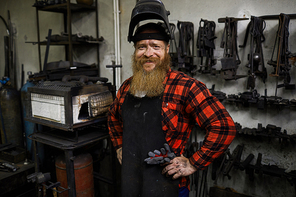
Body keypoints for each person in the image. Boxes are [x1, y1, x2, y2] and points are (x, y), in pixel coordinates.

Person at [107, 22, 236, 197]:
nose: (148, 53)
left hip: (168, 185)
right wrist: (119, 146)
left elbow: (223, 127)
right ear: (135, 52)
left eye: (155, 46)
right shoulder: (127, 86)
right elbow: (112, 117)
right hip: (131, 181)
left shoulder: (187, 87)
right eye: (141, 47)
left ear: (167, 49)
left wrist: (193, 163)